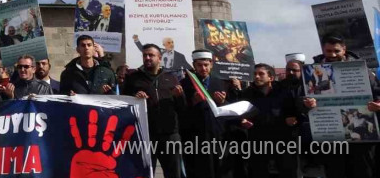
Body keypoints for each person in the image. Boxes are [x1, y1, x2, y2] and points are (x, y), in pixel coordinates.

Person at [303, 35, 379, 178]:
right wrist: (307, 104)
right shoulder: (311, 71)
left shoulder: (361, 69)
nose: (332, 54)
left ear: (344, 50)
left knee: (362, 170)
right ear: (323, 50)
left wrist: (378, 104)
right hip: (330, 132)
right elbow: (302, 98)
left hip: (361, 136)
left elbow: (377, 91)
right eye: (328, 51)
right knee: (335, 171)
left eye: (336, 51)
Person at [122, 43, 184, 178]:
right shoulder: (133, 78)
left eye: (151, 55)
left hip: (170, 134)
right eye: (145, 55)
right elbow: (124, 103)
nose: (147, 58)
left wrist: (179, 97)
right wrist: (135, 98)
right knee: (145, 173)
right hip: (145, 135)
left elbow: (181, 108)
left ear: (159, 58)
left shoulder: (171, 78)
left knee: (174, 173)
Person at [178, 50, 241, 178]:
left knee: (221, 168)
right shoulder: (185, 83)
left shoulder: (222, 83)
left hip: (218, 134)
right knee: (198, 169)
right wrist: (192, 103)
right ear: (194, 65)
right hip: (195, 134)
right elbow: (179, 109)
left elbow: (232, 107)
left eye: (206, 65)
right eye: (200, 65)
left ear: (211, 64)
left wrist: (223, 102)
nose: (203, 68)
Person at [238, 63, 298, 178]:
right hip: (257, 141)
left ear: (271, 77)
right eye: (255, 74)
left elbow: (294, 112)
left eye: (261, 74)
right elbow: (240, 114)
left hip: (283, 142)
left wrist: (292, 119)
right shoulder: (247, 94)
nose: (256, 77)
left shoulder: (284, 92)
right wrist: (243, 121)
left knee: (288, 172)